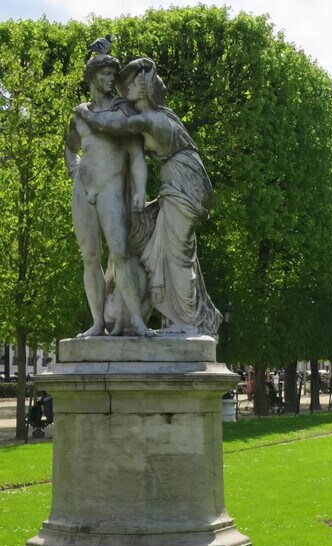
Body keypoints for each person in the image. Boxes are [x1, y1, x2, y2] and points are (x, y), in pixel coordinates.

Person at [75, 57, 221, 336]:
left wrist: (83, 111)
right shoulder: (159, 114)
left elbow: (108, 126)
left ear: (144, 88)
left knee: (177, 252)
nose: (124, 87)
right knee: (157, 240)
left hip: (184, 183)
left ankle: (186, 321)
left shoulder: (150, 119)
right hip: (178, 181)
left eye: (131, 83)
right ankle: (168, 316)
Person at [65, 50, 150, 337]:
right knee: (90, 258)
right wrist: (74, 170)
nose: (110, 78)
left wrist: (140, 190)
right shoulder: (80, 113)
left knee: (120, 253)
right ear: (91, 77)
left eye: (113, 74)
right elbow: (70, 147)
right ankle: (98, 323)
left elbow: (137, 154)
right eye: (104, 73)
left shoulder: (122, 111)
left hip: (112, 189)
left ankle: (137, 320)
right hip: (83, 191)